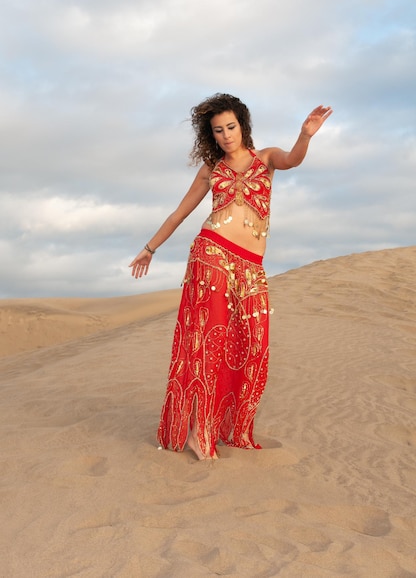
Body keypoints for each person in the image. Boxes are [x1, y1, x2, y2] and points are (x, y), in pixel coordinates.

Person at [129, 93, 332, 460]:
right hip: (211, 256)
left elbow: (292, 159)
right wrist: (150, 248)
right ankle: (198, 432)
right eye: (218, 130)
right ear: (212, 135)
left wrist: (306, 135)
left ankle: (226, 425)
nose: (226, 135)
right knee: (211, 342)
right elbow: (179, 214)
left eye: (231, 127)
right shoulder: (211, 168)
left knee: (252, 345)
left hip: (251, 267)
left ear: (243, 124)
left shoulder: (265, 157)